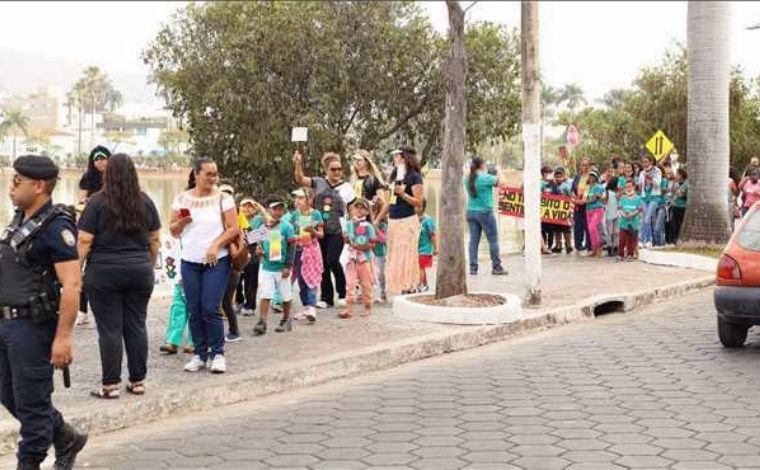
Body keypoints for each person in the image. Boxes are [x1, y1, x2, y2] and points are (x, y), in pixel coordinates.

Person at [0, 155, 87, 470]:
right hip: (7, 324)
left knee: (33, 408)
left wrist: (63, 338)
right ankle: (65, 436)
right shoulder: (21, 218)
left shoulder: (57, 227)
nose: (11, 186)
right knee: (10, 396)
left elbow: (72, 284)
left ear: (38, 186)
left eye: (17, 181)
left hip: (32, 328)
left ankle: (30, 463)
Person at [77, 154, 160, 398]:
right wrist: (149, 264)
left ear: (107, 174)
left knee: (109, 329)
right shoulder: (145, 201)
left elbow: (84, 239)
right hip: (139, 270)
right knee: (136, 325)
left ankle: (110, 385)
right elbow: (155, 239)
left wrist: (74, 271)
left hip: (103, 272)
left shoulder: (96, 202)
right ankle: (138, 381)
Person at [170, 158, 239, 374]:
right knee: (194, 308)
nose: (213, 178)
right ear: (196, 174)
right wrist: (180, 223)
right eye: (208, 174)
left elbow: (233, 229)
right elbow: (173, 230)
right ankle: (200, 354)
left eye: (215, 174)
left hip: (217, 261)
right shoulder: (182, 198)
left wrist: (215, 245)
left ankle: (217, 353)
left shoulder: (224, 199)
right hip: (190, 261)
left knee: (210, 307)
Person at [293, 150, 355, 308]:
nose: (337, 172)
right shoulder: (318, 182)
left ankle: (342, 293)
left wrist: (350, 231)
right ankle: (326, 297)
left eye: (340, 169)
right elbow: (300, 179)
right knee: (323, 264)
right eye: (333, 169)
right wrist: (298, 163)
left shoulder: (347, 187)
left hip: (337, 230)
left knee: (332, 259)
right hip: (318, 229)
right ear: (326, 170)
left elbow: (352, 210)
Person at [379, 148, 425, 294]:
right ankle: (397, 286)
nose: (395, 159)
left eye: (397, 156)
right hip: (393, 220)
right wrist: (378, 219)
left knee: (407, 253)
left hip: (407, 220)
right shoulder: (394, 177)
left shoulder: (415, 177)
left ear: (404, 158)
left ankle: (409, 285)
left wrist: (403, 194)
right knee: (394, 254)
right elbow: (389, 202)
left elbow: (419, 202)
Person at [75, 145, 111, 326]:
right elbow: (80, 202)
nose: (100, 162)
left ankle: (105, 310)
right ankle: (82, 310)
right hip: (89, 225)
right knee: (82, 269)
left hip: (110, 227)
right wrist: (89, 201)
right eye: (96, 159)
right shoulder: (87, 178)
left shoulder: (114, 178)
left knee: (104, 269)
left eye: (103, 158)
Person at [252, 196, 297, 335]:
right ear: (268, 210)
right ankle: (262, 321)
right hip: (267, 267)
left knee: (285, 296)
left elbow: (292, 246)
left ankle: (286, 319)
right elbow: (254, 243)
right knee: (265, 294)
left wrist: (288, 266)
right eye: (274, 208)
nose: (277, 211)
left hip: (281, 268)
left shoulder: (287, 227)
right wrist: (258, 251)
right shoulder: (262, 227)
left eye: (280, 209)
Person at [463, 157, 508, 275]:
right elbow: (502, 182)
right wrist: (499, 170)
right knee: (493, 240)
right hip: (485, 212)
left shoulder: (467, 179)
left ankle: (473, 267)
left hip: (471, 211)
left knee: (473, 241)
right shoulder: (485, 178)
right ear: (482, 165)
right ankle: (496, 266)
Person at [291, 188, 324, 323]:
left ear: (309, 199)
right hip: (298, 250)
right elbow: (290, 231)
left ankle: (311, 307)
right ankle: (305, 307)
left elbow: (321, 234)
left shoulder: (316, 214)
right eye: (296, 198)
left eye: (301, 198)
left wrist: (313, 231)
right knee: (301, 280)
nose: (297, 201)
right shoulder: (294, 215)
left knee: (311, 278)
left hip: (311, 250)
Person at [341, 198, 376, 318]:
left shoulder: (369, 226)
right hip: (352, 258)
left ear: (367, 211)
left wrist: (363, 246)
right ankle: (348, 308)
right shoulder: (349, 224)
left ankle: (368, 307)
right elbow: (346, 241)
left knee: (366, 284)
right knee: (349, 283)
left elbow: (373, 243)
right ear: (352, 209)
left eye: (363, 208)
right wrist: (345, 239)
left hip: (364, 259)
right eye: (357, 207)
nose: (359, 210)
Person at [217, 184, 243, 344]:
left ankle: (234, 330)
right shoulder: (214, 217)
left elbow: (250, 237)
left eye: (228, 194)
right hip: (220, 263)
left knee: (225, 300)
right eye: (222, 194)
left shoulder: (238, 218)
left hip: (233, 264)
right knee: (220, 301)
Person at [159, 237, 194, 355]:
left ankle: (194, 342)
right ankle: (172, 341)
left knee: (195, 311)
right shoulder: (176, 239)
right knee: (177, 309)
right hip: (179, 281)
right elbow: (172, 257)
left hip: (195, 279)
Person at [236, 198, 261, 316]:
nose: (246, 208)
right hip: (239, 253)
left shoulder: (259, 219)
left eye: (250, 206)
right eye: (244, 206)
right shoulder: (235, 218)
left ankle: (250, 305)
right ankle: (239, 301)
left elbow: (265, 231)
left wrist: (260, 207)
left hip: (253, 251)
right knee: (236, 280)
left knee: (251, 281)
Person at [637, 154, 662, 249]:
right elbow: (639, 186)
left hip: (654, 197)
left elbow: (658, 184)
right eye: (643, 162)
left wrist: (650, 179)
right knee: (644, 219)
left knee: (647, 218)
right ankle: (646, 240)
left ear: (651, 162)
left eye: (646, 162)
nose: (645, 164)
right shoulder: (641, 173)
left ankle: (646, 239)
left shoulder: (657, 171)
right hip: (643, 197)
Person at [547, 167, 573, 254]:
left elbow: (571, 198)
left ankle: (568, 245)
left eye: (560, 177)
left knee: (566, 230)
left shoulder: (566, 187)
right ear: (554, 177)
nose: (558, 179)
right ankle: (558, 245)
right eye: (556, 177)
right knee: (557, 230)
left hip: (565, 211)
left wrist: (570, 210)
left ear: (563, 177)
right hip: (555, 212)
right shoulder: (551, 187)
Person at [618, 178, 644, 261]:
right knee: (622, 239)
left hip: (633, 223)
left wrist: (632, 214)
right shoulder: (622, 198)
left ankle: (630, 254)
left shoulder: (638, 198)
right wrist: (624, 215)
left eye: (630, 186)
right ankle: (620, 254)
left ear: (634, 187)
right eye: (626, 187)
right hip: (623, 222)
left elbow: (639, 209)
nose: (628, 188)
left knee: (631, 239)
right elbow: (620, 209)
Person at [571, 157, 593, 252]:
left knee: (588, 225)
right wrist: (575, 199)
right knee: (578, 225)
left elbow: (593, 190)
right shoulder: (577, 176)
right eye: (583, 165)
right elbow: (572, 189)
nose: (584, 167)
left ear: (590, 166)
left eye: (586, 165)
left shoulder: (592, 177)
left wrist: (584, 200)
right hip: (577, 205)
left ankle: (590, 244)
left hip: (588, 205)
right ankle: (578, 245)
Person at [584, 170, 606, 257]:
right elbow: (585, 199)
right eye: (590, 176)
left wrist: (588, 200)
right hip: (588, 210)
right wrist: (588, 200)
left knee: (592, 227)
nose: (591, 178)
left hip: (597, 209)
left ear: (596, 178)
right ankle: (594, 249)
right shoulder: (586, 188)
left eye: (593, 176)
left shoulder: (599, 187)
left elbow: (596, 198)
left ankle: (599, 248)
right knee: (590, 230)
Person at [417, 200, 438, 292]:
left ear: (423, 207)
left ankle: (419, 286)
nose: (416, 209)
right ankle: (425, 285)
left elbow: (432, 234)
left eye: (418, 207)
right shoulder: (413, 219)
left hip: (425, 249)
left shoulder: (427, 220)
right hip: (416, 249)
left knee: (420, 268)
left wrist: (435, 247)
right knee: (421, 267)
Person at [371, 202, 388, 303]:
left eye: (374, 211)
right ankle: (373, 293)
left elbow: (383, 239)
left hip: (380, 252)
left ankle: (382, 292)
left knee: (380, 273)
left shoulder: (383, 224)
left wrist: (376, 229)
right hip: (370, 252)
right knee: (372, 273)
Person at [603, 164, 620, 257]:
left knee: (616, 231)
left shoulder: (618, 193)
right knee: (610, 232)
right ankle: (610, 247)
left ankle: (616, 246)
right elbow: (604, 201)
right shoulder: (608, 192)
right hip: (609, 214)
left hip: (617, 214)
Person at [671, 168, 688, 244]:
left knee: (680, 224)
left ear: (681, 175)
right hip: (675, 206)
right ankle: (675, 240)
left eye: (677, 174)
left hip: (682, 207)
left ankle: (679, 240)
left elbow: (686, 196)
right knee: (675, 224)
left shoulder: (686, 185)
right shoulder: (676, 184)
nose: (676, 176)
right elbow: (673, 193)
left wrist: (681, 195)